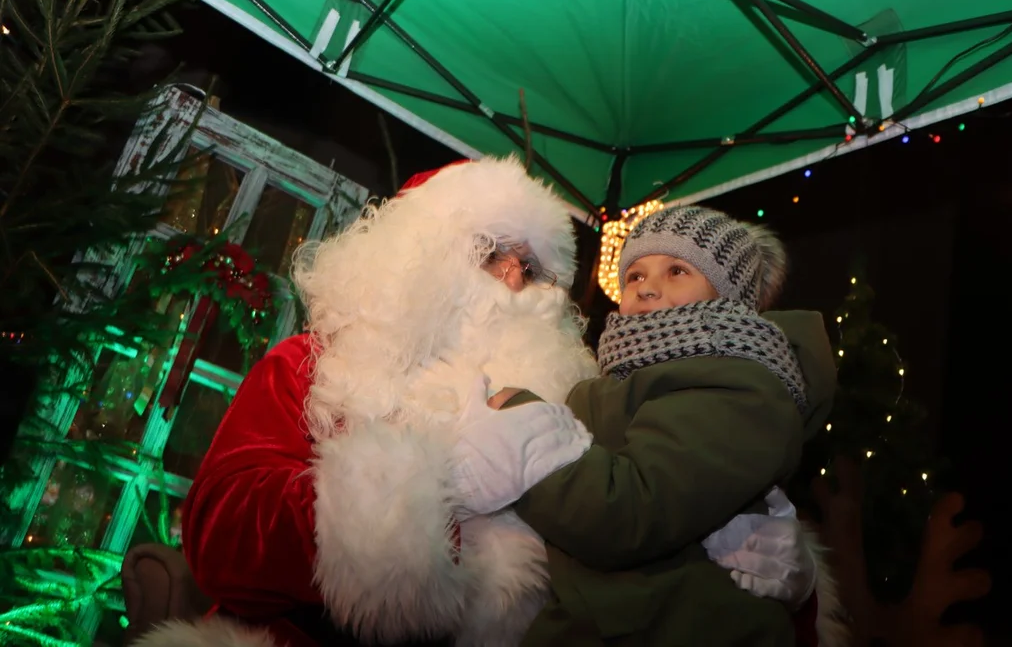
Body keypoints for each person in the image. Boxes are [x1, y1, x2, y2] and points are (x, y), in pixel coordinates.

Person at [133, 157, 839, 647]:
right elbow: (220, 535)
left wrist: (788, 585)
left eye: (531, 267)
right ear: (417, 256)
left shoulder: (578, 400)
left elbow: (649, 525)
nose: (511, 277)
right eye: (490, 251)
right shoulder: (318, 367)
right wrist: (408, 507)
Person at [476, 205, 839, 645]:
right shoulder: (620, 378)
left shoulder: (737, 384)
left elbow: (628, 513)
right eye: (635, 275)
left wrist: (526, 434)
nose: (648, 288)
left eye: (677, 271)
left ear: (726, 298)